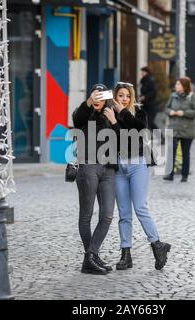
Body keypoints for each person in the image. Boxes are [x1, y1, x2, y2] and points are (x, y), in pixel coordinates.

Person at [111, 82, 172, 271]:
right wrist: (113, 119)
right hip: (118, 166)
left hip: (138, 164)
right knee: (123, 213)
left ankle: (157, 245)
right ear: (115, 96)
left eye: (127, 96)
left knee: (140, 207)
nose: (124, 99)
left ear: (132, 97)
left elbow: (137, 131)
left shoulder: (139, 113)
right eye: (120, 95)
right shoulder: (108, 113)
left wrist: (120, 115)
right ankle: (125, 255)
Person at [72, 84, 120, 275]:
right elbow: (77, 119)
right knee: (86, 215)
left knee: (107, 215)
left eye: (102, 96)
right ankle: (91, 258)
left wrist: (114, 121)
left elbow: (123, 141)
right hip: (88, 167)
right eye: (95, 96)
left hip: (108, 169)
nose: (99, 100)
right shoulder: (84, 113)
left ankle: (91, 256)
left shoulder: (110, 115)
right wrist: (89, 103)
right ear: (91, 96)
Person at [163, 77, 195, 182]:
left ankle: (185, 175)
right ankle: (169, 175)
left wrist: (183, 113)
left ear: (184, 86)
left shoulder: (192, 97)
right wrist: (170, 112)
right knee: (171, 152)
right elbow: (166, 108)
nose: (176, 86)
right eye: (176, 84)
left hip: (187, 130)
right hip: (174, 128)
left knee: (185, 153)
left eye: (178, 84)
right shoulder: (173, 96)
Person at [139, 67, 159, 131]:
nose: (142, 73)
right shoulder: (143, 81)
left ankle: (160, 136)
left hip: (151, 105)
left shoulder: (150, 80)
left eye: (143, 72)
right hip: (144, 105)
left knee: (149, 122)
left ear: (147, 72)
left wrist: (145, 97)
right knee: (143, 121)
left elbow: (153, 92)